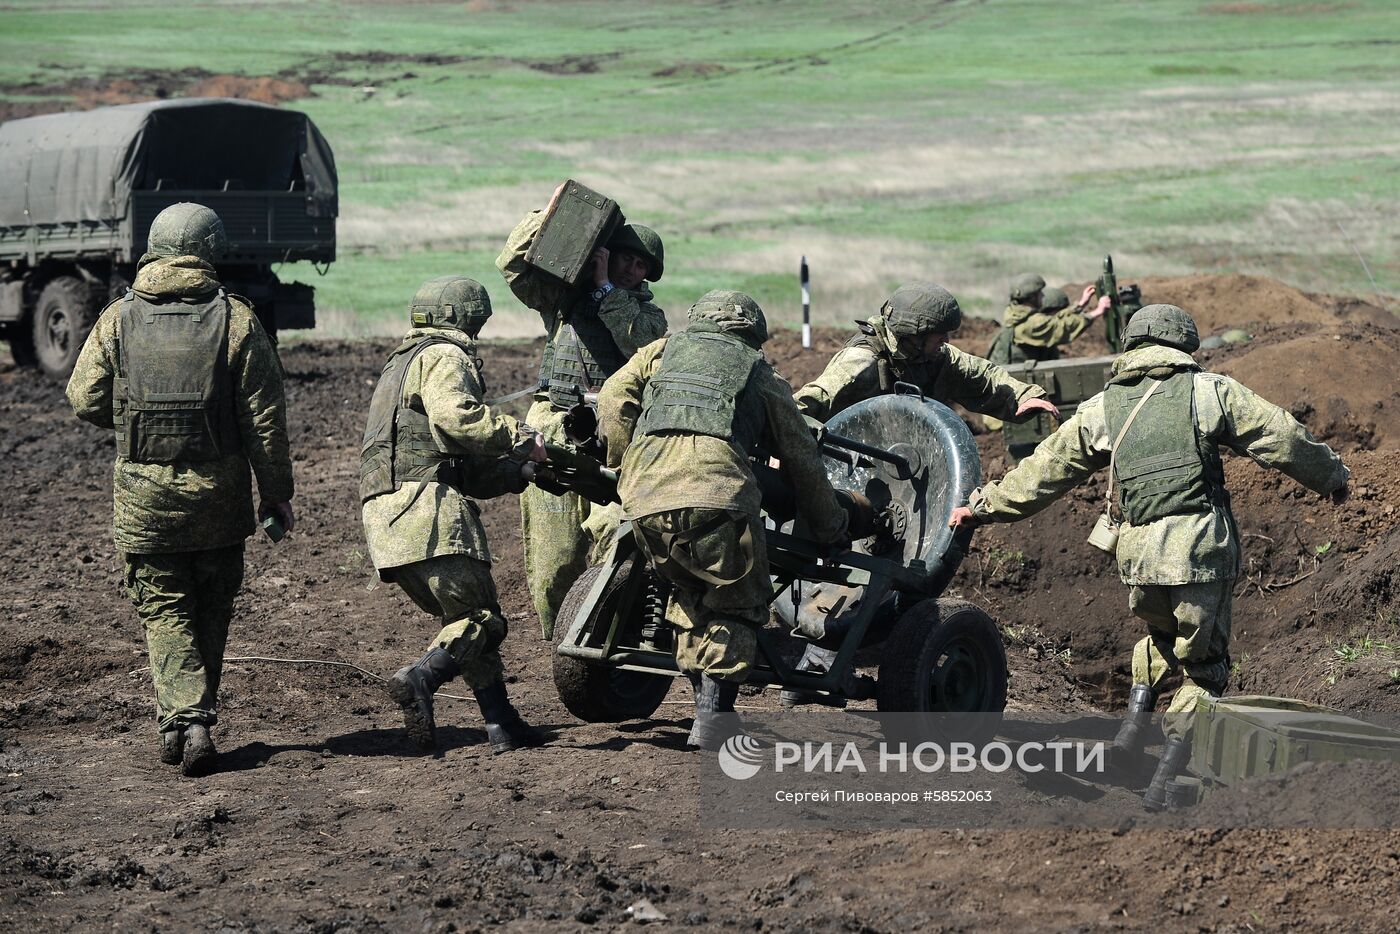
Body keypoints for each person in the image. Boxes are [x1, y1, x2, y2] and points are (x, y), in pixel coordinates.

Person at [948, 304, 1350, 809]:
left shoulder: (1102, 408)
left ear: (1133, 346)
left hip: (1138, 559)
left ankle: (1128, 742)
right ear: (1184, 345)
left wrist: (981, 507)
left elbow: (1043, 471)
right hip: (1200, 550)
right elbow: (1282, 437)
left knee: (1163, 638)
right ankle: (1164, 785)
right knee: (1204, 669)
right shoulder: (1208, 393)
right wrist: (1333, 476)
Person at [66, 202, 294, 777]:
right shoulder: (237, 321)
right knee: (212, 608)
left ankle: (184, 719)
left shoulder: (117, 319)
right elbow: (264, 420)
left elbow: (83, 398)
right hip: (219, 496)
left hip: (143, 498)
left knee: (166, 611)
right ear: (210, 252)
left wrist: (131, 419)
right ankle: (192, 719)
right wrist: (276, 493)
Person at [786, 281, 1059, 704]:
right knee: (850, 572)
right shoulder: (860, 363)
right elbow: (809, 402)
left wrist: (1020, 396)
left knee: (896, 574)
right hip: (854, 480)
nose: (946, 342)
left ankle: (838, 663)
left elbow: (978, 375)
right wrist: (783, 447)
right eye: (940, 335)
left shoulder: (927, 356)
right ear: (913, 333)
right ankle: (820, 664)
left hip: (899, 481)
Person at [598, 290, 849, 750]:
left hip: (643, 495)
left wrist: (624, 462)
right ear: (751, 331)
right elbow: (801, 457)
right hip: (717, 493)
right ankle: (713, 721)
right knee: (735, 600)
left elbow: (614, 397)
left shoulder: (662, 349)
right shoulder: (759, 371)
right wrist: (832, 527)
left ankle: (706, 715)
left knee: (688, 590)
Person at [361, 276, 548, 755]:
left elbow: (445, 459)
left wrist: (515, 472)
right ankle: (421, 677)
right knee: (484, 619)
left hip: (388, 517)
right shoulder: (444, 356)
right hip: (428, 512)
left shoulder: (397, 367)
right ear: (465, 318)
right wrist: (524, 438)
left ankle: (500, 723)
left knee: (463, 620)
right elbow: (458, 418)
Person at [497, 189, 667, 640]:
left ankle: (604, 634)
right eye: (625, 260)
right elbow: (513, 265)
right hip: (553, 423)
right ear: (606, 256)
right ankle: (562, 642)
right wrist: (550, 215)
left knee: (612, 539)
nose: (632, 271)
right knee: (553, 556)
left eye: (640, 267)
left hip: (614, 435)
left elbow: (640, 345)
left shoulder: (650, 317)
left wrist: (607, 290)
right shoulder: (563, 302)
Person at [987, 273, 1110, 365]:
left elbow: (1050, 321)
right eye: (1040, 294)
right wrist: (1097, 312)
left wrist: (1080, 305)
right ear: (1032, 297)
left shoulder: (1015, 313)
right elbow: (1060, 327)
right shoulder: (1030, 324)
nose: (1043, 296)